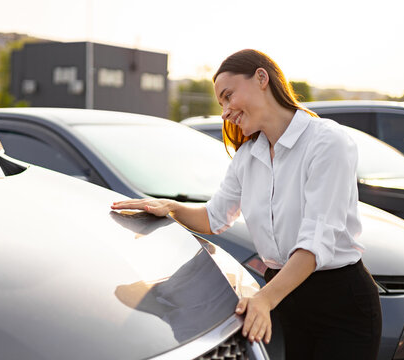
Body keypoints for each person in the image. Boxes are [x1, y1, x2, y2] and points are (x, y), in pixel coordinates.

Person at [111, 49, 382, 359]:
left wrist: (265, 299)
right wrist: (171, 208)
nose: (225, 111)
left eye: (228, 96)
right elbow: (214, 218)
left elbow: (315, 242)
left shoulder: (327, 142)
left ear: (261, 78)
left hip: (341, 305)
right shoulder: (247, 156)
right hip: (289, 300)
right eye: (221, 104)